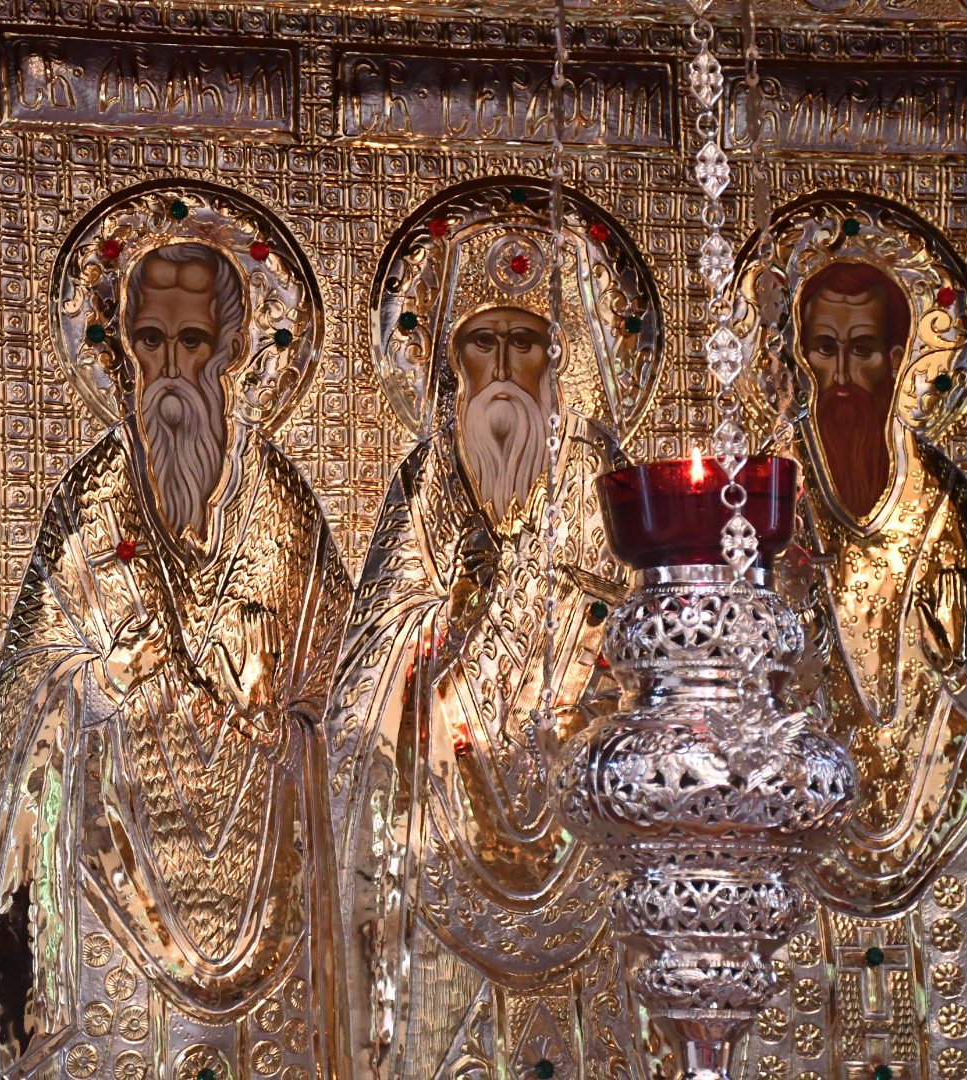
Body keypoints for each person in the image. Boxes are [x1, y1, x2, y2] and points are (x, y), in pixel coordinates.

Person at [0, 235, 351, 1080]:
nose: (172, 368)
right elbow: (27, 686)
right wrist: (96, 684)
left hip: (269, 887)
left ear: (232, 351)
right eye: (151, 340)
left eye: (194, 342)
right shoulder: (89, 501)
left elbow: (345, 695)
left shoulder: (284, 505)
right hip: (113, 891)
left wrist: (283, 703)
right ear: (123, 348)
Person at [325, 218, 645, 1080]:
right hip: (444, 854)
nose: (503, 368)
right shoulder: (426, 487)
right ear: (448, 364)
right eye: (481, 343)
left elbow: (651, 653)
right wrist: (447, 622)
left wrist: (591, 638)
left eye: (525, 343)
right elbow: (365, 681)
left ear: (559, 360)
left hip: (589, 856)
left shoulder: (604, 486)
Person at [783, 255, 967, 1079]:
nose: (843, 376)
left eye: (864, 350)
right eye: (824, 350)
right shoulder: (772, 505)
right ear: (800, 357)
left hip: (948, 853)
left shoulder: (948, 509)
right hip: (801, 860)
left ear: (901, 359)